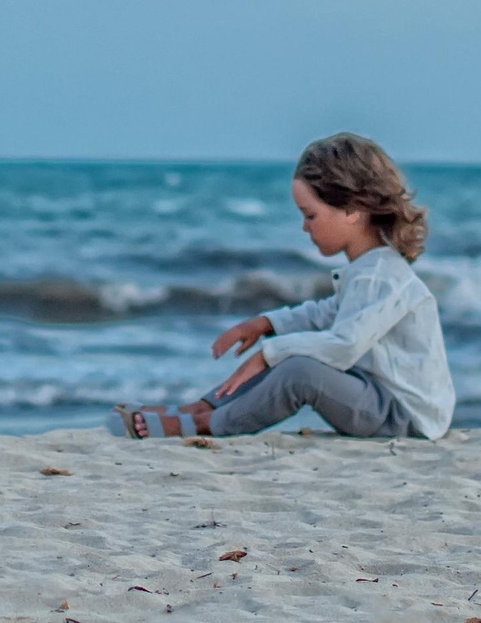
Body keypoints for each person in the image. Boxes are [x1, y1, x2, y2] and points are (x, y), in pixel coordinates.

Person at [113, 133, 453, 441]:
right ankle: (197, 409)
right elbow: (326, 314)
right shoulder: (368, 270)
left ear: (352, 210)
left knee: (299, 369)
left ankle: (205, 424)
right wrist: (265, 324)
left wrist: (268, 353)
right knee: (291, 352)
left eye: (310, 215)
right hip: (376, 394)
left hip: (406, 419)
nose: (304, 227)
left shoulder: (381, 275)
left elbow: (344, 345)